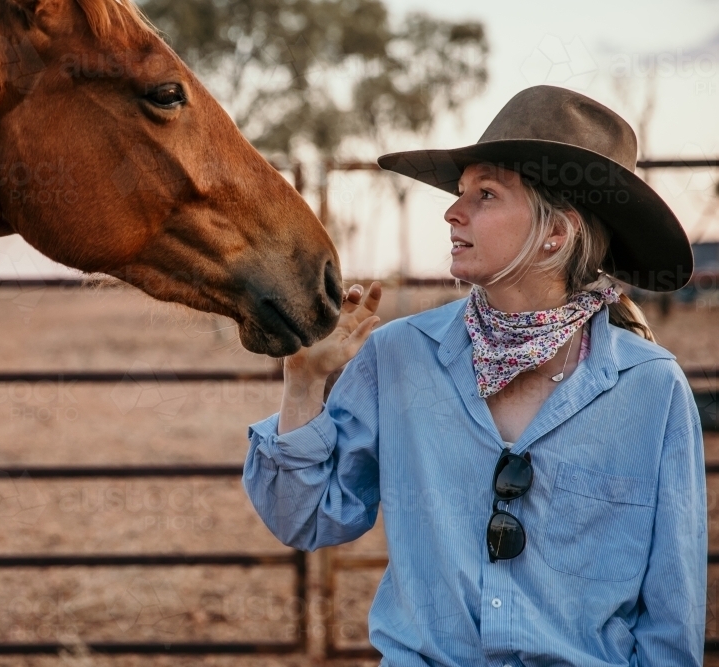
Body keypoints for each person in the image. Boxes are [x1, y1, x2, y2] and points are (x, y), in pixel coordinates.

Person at [242, 85, 707, 666]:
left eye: (484, 194)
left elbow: (672, 612)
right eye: (461, 192)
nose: (452, 211)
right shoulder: (399, 355)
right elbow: (305, 517)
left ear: (554, 235)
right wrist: (304, 383)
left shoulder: (650, 389)